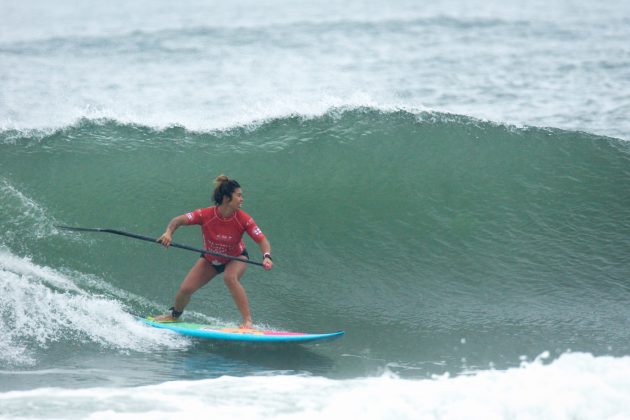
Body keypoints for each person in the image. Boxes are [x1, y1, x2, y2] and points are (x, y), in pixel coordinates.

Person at [154, 175, 272, 328]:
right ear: (226, 198)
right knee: (185, 289)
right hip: (211, 259)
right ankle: (174, 316)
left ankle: (247, 321)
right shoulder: (205, 215)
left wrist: (267, 256)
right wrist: (168, 233)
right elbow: (178, 220)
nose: (242, 199)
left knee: (230, 278)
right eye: (239, 195)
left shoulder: (244, 219)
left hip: (236, 257)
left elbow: (262, 240)